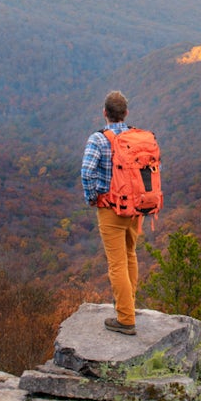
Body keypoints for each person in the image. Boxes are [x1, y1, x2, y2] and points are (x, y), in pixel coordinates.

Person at [81, 90, 140, 336]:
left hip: (110, 208)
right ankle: (128, 306)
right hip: (136, 208)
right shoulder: (137, 137)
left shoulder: (98, 139)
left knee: (116, 264)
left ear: (104, 113)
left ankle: (125, 318)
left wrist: (93, 197)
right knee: (130, 255)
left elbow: (86, 172)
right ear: (126, 113)